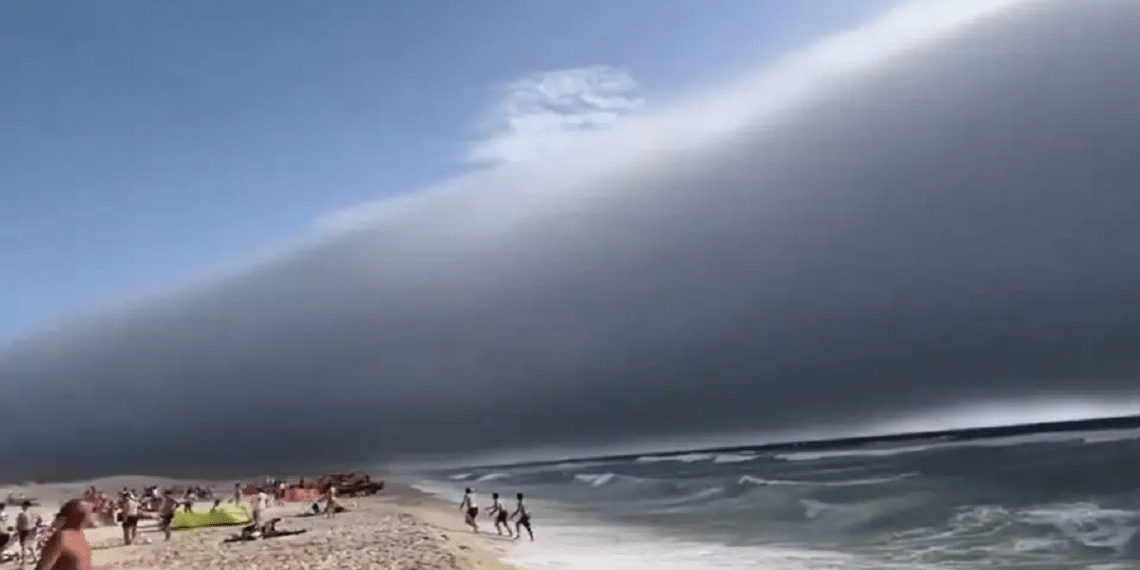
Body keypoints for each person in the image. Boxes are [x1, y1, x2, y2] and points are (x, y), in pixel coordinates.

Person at [33, 499, 93, 570]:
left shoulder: (77, 536)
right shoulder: (64, 537)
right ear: (81, 517)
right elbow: (43, 567)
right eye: (89, 513)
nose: (91, 517)